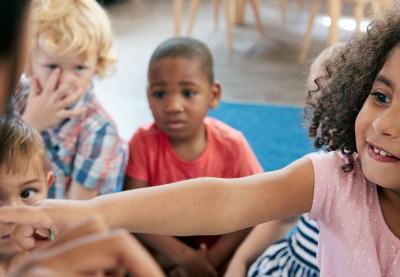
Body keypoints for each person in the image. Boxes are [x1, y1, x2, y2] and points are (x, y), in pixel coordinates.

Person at [2, 4, 400, 277]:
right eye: (380, 96)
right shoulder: (338, 176)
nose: (384, 125)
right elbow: (225, 199)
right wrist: (71, 213)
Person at [124, 37, 263, 276]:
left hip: (219, 250)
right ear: (148, 96)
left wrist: (210, 260)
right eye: (160, 94)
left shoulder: (232, 144)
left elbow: (257, 209)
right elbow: (130, 213)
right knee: (122, 248)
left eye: (188, 93)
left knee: (259, 252)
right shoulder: (142, 142)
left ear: (213, 94)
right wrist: (185, 258)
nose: (173, 105)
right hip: (164, 248)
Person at [224, 43, 346, 277]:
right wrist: (240, 261)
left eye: (343, 110)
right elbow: (280, 218)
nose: (327, 124)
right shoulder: (319, 169)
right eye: (319, 110)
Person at [14, 0, 127, 200]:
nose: (65, 81)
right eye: (51, 66)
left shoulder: (99, 131)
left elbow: (76, 218)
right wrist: (30, 124)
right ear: (29, 59)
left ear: (97, 64)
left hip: (64, 227)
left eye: (79, 68)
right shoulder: (13, 96)